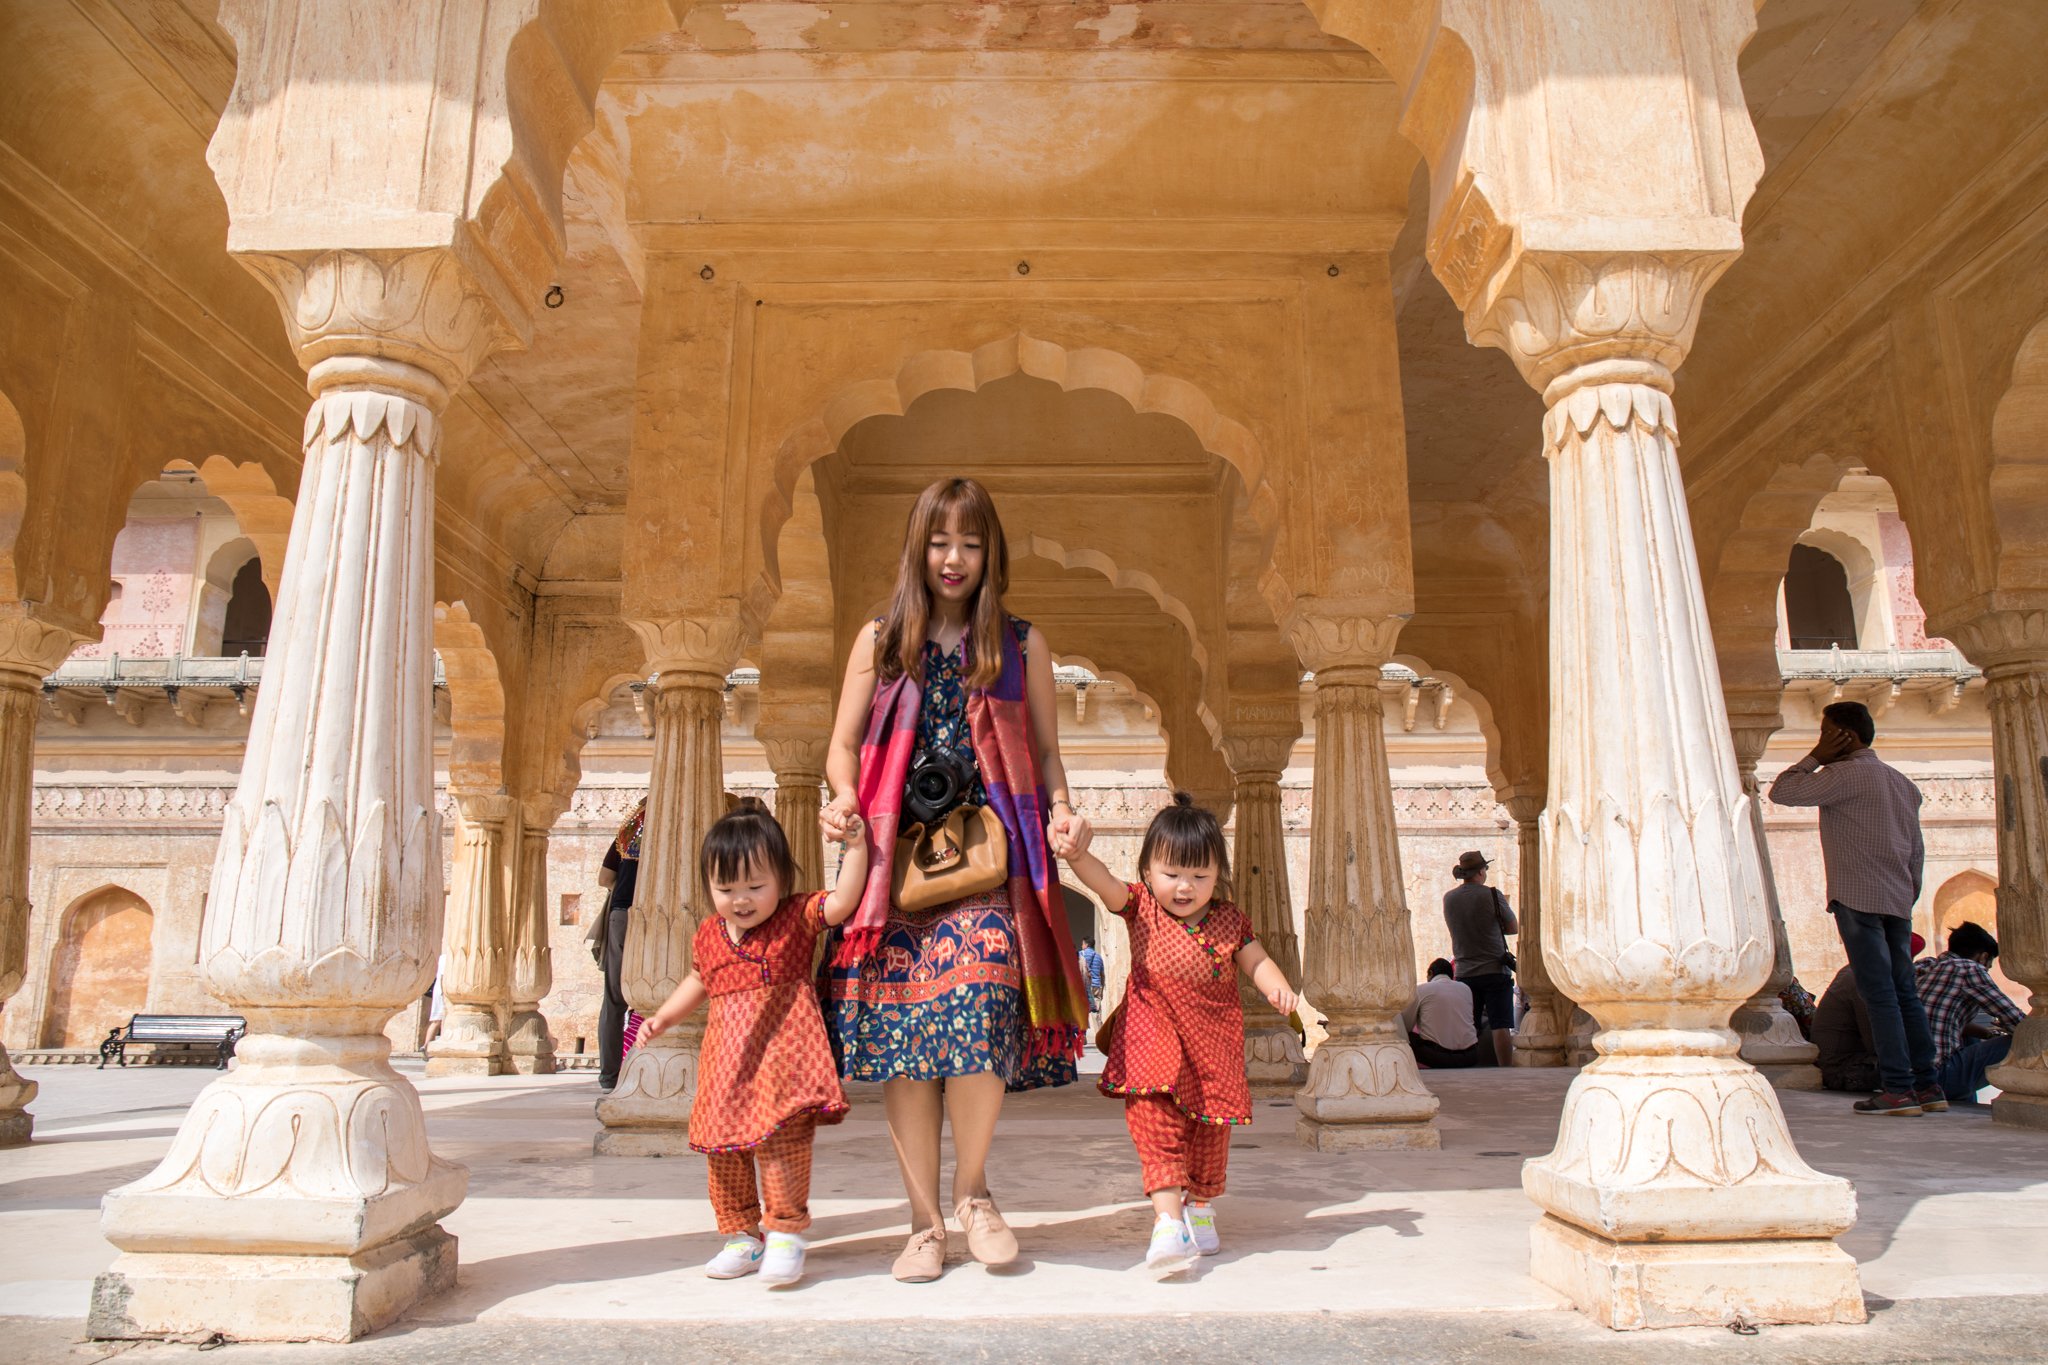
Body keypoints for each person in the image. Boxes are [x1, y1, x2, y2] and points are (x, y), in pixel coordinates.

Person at [818, 477, 1092, 1283]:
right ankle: (923, 1222)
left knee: (978, 1004)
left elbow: (1042, 754)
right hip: (893, 866)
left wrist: (1066, 811)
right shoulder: (880, 639)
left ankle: (974, 1194)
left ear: (990, 554)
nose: (954, 559)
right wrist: (843, 798)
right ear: (919, 547)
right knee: (907, 1047)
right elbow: (842, 746)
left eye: (971, 544)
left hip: (985, 862)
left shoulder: (1018, 644)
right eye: (941, 542)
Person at [1061, 794, 1298, 1275]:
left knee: (1209, 1131)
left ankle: (1202, 1206)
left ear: (1218, 876)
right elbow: (1104, 884)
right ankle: (1167, 1223)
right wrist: (1077, 856)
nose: (1185, 887)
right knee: (1153, 1117)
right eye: (1172, 874)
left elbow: (1255, 959)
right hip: (1152, 1037)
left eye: (1200, 876)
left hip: (1213, 1045)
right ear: (1148, 871)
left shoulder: (1229, 920)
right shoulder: (1140, 906)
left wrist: (1277, 988)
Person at [640, 798, 871, 1287]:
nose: (740, 899)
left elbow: (844, 901)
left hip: (786, 1056)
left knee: (783, 1146)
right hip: (727, 1064)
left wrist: (856, 848)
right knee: (722, 1150)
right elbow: (697, 980)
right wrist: (662, 1016)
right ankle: (741, 1236)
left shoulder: (795, 916)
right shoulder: (708, 935)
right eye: (725, 888)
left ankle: (785, 1233)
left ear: (782, 882)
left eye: (755, 886)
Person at [1770, 700, 1938, 1116]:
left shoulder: (1842, 775)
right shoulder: (1902, 783)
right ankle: (1929, 1087)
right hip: (1897, 899)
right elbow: (1916, 852)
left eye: (1826, 732)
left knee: (1878, 993)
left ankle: (1898, 1088)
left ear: (1842, 735)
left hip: (1859, 899)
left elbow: (1782, 791)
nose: (1821, 739)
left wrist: (1814, 758)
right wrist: (1906, 895)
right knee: (1904, 994)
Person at [1915, 921, 2023, 1106]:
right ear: (1983, 957)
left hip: (1903, 1079)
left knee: (1968, 1038)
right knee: (2024, 1041)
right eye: (1989, 965)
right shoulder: (1968, 969)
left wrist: (1987, 1033)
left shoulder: (1925, 966)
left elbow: (1936, 1017)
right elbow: (2015, 1019)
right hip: (1937, 1079)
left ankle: (1966, 1102)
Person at [1442, 851, 1518, 1066]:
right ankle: (1505, 1068)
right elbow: (1513, 927)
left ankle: (1469, 1065)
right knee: (1500, 1024)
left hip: (1465, 971)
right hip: (1494, 968)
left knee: (1469, 1024)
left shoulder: (1449, 898)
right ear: (1480, 872)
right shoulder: (1492, 895)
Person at [595, 796, 645, 1093]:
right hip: (657, 915)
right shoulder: (679, 827)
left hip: (621, 915)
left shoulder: (629, 832)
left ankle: (610, 1075)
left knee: (615, 998)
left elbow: (605, 878)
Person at [1402, 959, 1481, 1069]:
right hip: (1470, 1056)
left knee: (1404, 1034)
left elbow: (1406, 1026)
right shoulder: (1465, 989)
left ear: (1430, 973)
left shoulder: (1421, 989)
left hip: (1437, 1057)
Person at [1079, 938, 1106, 1019]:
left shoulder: (1081, 954)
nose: (1081, 946)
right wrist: (1102, 986)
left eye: (1082, 944)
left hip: (1086, 986)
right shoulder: (1099, 957)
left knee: (1083, 1010)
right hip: (1097, 986)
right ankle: (1097, 1030)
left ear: (1086, 945)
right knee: (1096, 1012)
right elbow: (1102, 974)